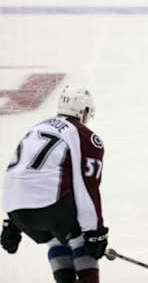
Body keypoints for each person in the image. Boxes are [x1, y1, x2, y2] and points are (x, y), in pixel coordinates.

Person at [1, 85, 109, 282]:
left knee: (54, 238)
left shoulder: (36, 128)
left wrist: (11, 223)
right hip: (51, 207)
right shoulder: (85, 136)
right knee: (78, 239)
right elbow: (87, 188)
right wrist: (96, 233)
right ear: (84, 111)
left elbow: (18, 175)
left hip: (15, 209)